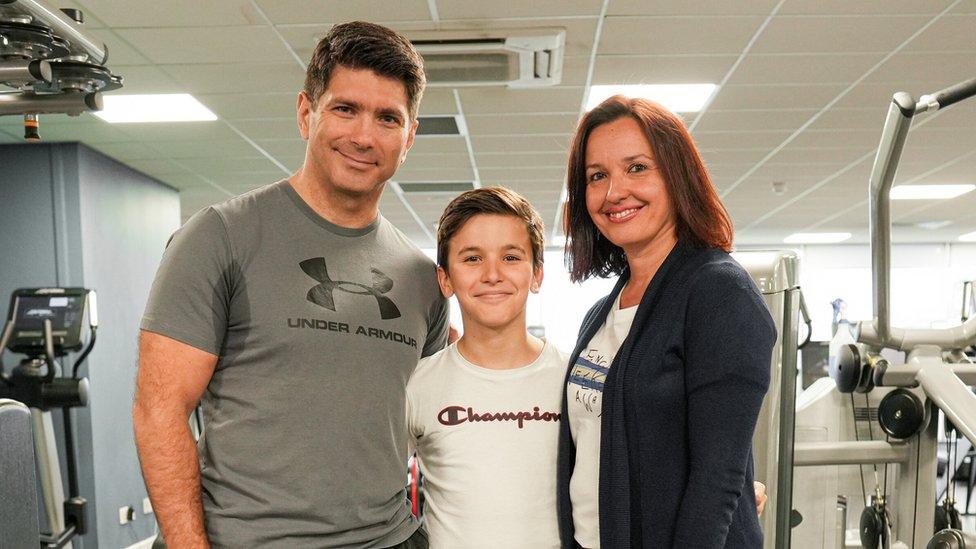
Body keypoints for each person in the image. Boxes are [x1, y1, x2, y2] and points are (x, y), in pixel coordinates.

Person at [133, 22, 449, 548]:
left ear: (409, 136)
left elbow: (426, 425)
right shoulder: (220, 236)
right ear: (307, 113)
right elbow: (158, 408)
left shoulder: (422, 278)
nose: (364, 136)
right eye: (345, 109)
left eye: (388, 118)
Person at [556, 96, 776, 548]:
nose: (615, 191)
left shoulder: (718, 293)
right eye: (598, 176)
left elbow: (717, 478)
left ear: (677, 175)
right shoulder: (602, 312)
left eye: (637, 167)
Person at [406, 187, 566, 549]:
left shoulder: (574, 380)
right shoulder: (417, 385)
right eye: (472, 259)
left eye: (511, 258)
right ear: (445, 279)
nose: (492, 274)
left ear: (537, 274)